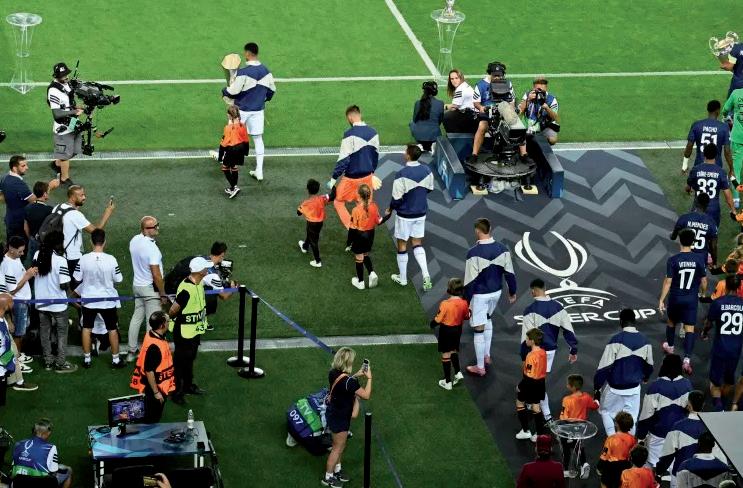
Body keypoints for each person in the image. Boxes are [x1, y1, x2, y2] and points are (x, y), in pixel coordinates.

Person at [463, 217, 517, 376]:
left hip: (480, 295)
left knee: (478, 329)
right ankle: (486, 355)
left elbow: (470, 281)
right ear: (490, 229)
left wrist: (466, 302)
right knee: (488, 319)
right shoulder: (503, 249)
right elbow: (510, 274)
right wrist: (512, 292)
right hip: (496, 292)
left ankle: (480, 367)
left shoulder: (473, 253)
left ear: (477, 230)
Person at [521, 278, 578, 421]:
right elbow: (568, 330)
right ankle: (534, 403)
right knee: (539, 380)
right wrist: (573, 350)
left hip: (535, 353)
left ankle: (546, 414)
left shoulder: (530, 310)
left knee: (535, 382)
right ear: (545, 289)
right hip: (550, 352)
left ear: (533, 291)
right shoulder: (558, 307)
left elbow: (525, 338)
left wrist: (523, 356)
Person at [593, 308, 653, 435]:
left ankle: (612, 440)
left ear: (621, 322)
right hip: (634, 388)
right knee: (631, 419)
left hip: (615, 389)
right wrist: (646, 377)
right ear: (634, 321)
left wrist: (597, 387)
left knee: (605, 412)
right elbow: (649, 365)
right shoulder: (646, 341)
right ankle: (629, 445)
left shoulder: (615, 340)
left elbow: (604, 368)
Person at [221, 42, 275, 181]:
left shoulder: (243, 73)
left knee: (231, 133)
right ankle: (259, 171)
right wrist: (263, 100)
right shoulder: (266, 71)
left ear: (247, 53)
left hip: (241, 111)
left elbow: (233, 91)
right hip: (258, 110)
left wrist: (224, 91)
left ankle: (225, 159)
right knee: (258, 139)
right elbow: (271, 90)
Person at [73, 229, 125, 369]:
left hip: (88, 301)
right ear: (104, 242)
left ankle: (87, 359)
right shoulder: (111, 259)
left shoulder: (83, 259)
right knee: (112, 329)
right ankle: (115, 360)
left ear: (91, 241)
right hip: (107, 301)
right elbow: (118, 279)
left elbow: (77, 278)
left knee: (86, 329)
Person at [660, 228, 709, 374]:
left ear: (679, 241)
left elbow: (668, 282)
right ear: (693, 242)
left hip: (676, 297)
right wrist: (702, 293)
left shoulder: (673, 260)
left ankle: (670, 347)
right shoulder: (699, 259)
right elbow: (704, 281)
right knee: (689, 329)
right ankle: (687, 360)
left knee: (671, 322)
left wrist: (661, 299)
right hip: (691, 299)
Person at [322, 347, 372, 488]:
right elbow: (366, 395)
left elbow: (344, 383)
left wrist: (356, 375)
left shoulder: (333, 373)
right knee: (337, 447)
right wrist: (369, 378)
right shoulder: (350, 382)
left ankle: (337, 470)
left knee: (340, 445)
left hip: (333, 413)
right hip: (340, 418)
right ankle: (328, 477)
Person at [388, 144, 434, 291]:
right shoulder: (427, 170)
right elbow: (429, 189)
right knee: (417, 243)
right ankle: (426, 275)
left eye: (405, 151)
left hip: (405, 215)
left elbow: (396, 199)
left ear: (408, 155)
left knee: (402, 245)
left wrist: (390, 208)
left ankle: (402, 279)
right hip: (421, 213)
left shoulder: (401, 174)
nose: (404, 153)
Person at [327, 105, 380, 230]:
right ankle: (363, 228)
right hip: (367, 177)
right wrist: (372, 173)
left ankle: (351, 227)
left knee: (338, 201)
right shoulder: (374, 133)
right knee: (364, 204)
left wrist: (333, 179)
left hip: (350, 179)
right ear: (359, 115)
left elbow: (343, 160)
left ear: (350, 117)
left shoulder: (349, 134)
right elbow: (376, 156)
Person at [468, 62, 531, 165]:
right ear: (490, 74)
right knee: (482, 126)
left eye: (500, 75)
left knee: (518, 126)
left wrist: (511, 110)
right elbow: (476, 102)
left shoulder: (508, 84)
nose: (497, 78)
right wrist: (481, 108)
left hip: (504, 111)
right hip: (488, 113)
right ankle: (474, 154)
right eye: (495, 75)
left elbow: (512, 101)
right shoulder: (481, 85)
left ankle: (524, 154)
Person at [636, 354, 692, 467]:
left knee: (652, 465)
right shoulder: (687, 385)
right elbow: (690, 410)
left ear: (664, 366)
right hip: (678, 435)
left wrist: (641, 436)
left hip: (657, 436)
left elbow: (646, 415)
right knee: (674, 467)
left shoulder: (655, 387)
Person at [168, 257, 211, 405]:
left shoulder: (199, 283)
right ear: (199, 271)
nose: (207, 269)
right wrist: (169, 319)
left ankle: (188, 386)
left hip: (194, 330)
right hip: (183, 332)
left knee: (190, 359)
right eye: (205, 268)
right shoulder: (186, 290)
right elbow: (173, 310)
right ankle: (176, 393)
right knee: (180, 363)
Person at [56, 185, 115, 291]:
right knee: (80, 289)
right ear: (72, 197)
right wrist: (108, 212)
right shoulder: (75, 215)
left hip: (58, 253)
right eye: (81, 195)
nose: (84, 197)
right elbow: (96, 231)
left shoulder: (58, 207)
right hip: (72, 257)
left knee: (65, 286)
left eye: (84, 194)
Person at [33, 231, 76, 373]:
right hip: (58, 305)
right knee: (62, 332)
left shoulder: (37, 255)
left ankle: (48, 362)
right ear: (58, 244)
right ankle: (60, 363)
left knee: (44, 332)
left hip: (41, 302)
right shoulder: (60, 260)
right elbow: (63, 285)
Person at [128, 216, 167, 362]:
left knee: (136, 318)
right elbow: (156, 275)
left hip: (137, 286)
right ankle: (148, 355)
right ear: (146, 229)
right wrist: (162, 294)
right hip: (150, 289)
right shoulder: (152, 249)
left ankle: (131, 351)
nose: (157, 228)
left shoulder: (134, 240)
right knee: (152, 323)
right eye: (155, 226)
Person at [702, 274, 743, 411]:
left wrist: (704, 332)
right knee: (729, 380)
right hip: (736, 349)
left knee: (714, 382)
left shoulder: (718, 303)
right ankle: (724, 403)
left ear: (726, 286)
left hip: (720, 347)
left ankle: (719, 407)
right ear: (739, 288)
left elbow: (708, 323)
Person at [130, 311, 175, 423]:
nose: (169, 323)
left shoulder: (151, 334)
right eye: (167, 321)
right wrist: (156, 392)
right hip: (154, 388)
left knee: (148, 415)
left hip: (153, 386)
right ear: (162, 325)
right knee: (151, 419)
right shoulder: (155, 347)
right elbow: (149, 370)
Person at [656, 390, 708, 486]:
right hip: (704, 477)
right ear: (704, 404)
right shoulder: (711, 427)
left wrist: (659, 470)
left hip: (680, 476)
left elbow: (668, 454)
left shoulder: (678, 427)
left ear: (689, 404)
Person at [0, 156, 59, 241]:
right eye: (23, 166)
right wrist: (49, 186)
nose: (27, 168)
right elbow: (33, 199)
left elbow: (1, 197)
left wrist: (12, 200)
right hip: (18, 221)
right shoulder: (18, 184)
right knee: (21, 244)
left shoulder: (4, 178)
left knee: (11, 242)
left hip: (9, 217)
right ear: (14, 168)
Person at [1, 236, 38, 371]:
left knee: (21, 331)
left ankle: (18, 356)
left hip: (23, 301)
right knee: (18, 333)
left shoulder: (15, 258)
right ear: (11, 249)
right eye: (20, 251)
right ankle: (16, 363)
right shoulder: (7, 264)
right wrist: (27, 276)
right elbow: (12, 290)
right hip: (17, 302)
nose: (22, 254)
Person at [47, 62, 84, 186]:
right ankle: (64, 178)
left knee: (77, 149)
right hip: (62, 127)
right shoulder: (53, 90)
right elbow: (56, 114)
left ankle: (57, 164)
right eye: (63, 75)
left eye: (66, 74)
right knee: (65, 154)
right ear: (57, 76)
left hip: (72, 122)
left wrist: (75, 107)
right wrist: (75, 111)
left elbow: (68, 102)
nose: (66, 77)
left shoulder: (66, 83)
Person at [431, 278, 469, 390]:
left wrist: (432, 324)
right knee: (453, 350)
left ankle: (447, 382)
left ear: (449, 289)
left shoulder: (445, 304)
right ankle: (457, 372)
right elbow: (467, 316)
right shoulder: (464, 303)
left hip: (446, 331)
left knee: (446, 354)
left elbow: (438, 320)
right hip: (458, 330)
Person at [348, 184, 389, 290]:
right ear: (369, 195)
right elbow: (379, 221)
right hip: (370, 235)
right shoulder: (374, 206)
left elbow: (352, 228)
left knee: (359, 257)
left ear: (359, 195)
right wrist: (388, 215)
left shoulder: (356, 210)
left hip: (359, 236)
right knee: (365, 254)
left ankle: (360, 282)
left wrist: (349, 242)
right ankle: (371, 273)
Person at [559, 374, 599, 479]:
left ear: (572, 387)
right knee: (578, 445)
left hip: (568, 428)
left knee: (566, 449)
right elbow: (595, 406)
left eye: (568, 384)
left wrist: (560, 427)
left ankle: (565, 470)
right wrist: (597, 400)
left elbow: (563, 417)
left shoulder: (567, 399)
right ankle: (584, 464)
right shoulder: (586, 397)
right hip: (581, 427)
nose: (566, 385)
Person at [11, 418, 72, 487]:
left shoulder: (18, 444)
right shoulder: (51, 447)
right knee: (68, 470)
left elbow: (13, 468)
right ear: (47, 433)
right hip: (39, 484)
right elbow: (53, 471)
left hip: (17, 483)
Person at [686, 143, 734, 227]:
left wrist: (688, 190)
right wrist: (733, 209)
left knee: (695, 231)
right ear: (716, 155)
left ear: (704, 154)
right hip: (713, 210)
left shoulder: (695, 169)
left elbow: (688, 187)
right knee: (713, 233)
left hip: (697, 208)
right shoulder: (721, 172)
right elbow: (727, 194)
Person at [682, 100, 733, 175]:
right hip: (716, 168)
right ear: (718, 111)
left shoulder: (697, 125)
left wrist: (684, 164)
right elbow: (727, 151)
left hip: (699, 167)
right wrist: (731, 169)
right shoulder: (724, 127)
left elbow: (689, 145)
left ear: (707, 109)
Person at [209, 104, 249, 198]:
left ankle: (234, 187)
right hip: (241, 149)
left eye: (228, 114)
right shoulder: (242, 125)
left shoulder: (228, 128)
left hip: (232, 150)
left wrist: (220, 157)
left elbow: (223, 144)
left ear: (231, 116)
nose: (227, 115)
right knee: (234, 166)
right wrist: (246, 152)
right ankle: (233, 187)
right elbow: (246, 140)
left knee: (225, 168)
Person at [515, 328, 548, 441]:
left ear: (532, 341)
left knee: (520, 403)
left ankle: (525, 431)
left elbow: (529, 375)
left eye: (527, 338)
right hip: (540, 383)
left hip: (530, 383)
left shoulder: (530, 355)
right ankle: (539, 434)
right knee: (536, 407)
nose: (526, 340)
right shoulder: (543, 352)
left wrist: (520, 386)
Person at [671, 193, 718, 266]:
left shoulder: (684, 218)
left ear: (696, 202)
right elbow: (713, 246)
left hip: (685, 258)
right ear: (707, 205)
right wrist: (714, 261)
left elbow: (673, 237)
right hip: (701, 260)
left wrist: (672, 235)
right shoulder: (711, 223)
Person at [297, 179, 335, 268]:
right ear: (318, 189)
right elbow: (333, 196)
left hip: (311, 224)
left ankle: (318, 261)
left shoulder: (306, 203)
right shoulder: (322, 198)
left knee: (314, 241)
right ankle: (305, 246)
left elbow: (298, 213)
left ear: (307, 189)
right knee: (311, 235)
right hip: (320, 223)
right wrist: (333, 185)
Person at [596, 412, 636, 488]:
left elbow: (604, 455)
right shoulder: (632, 439)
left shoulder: (611, 439)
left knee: (604, 483)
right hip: (625, 466)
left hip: (611, 466)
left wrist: (599, 466)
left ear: (617, 424)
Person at [518, 76, 560, 145]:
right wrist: (528, 100)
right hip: (527, 124)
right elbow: (519, 112)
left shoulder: (552, 99)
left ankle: (538, 140)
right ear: (533, 88)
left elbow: (555, 118)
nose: (540, 92)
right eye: (538, 90)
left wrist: (547, 108)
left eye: (542, 91)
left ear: (546, 88)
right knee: (517, 137)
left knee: (552, 139)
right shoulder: (528, 95)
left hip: (544, 126)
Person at [721, 85, 743, 207]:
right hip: (738, 139)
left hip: (738, 138)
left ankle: (736, 199)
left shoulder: (736, 93)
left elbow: (725, 110)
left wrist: (726, 117)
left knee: (736, 171)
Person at [24, 181, 53, 265]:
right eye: (48, 192)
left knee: (32, 263)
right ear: (44, 194)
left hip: (33, 241)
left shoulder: (27, 208)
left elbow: (25, 228)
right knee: (45, 265)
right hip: (45, 243)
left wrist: (31, 238)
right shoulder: (49, 210)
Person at [410, 81, 444, 152]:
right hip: (433, 135)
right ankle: (431, 145)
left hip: (418, 135)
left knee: (411, 123)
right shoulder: (440, 103)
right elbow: (440, 120)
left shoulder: (417, 103)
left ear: (424, 91)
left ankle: (421, 144)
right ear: (435, 91)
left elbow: (414, 119)